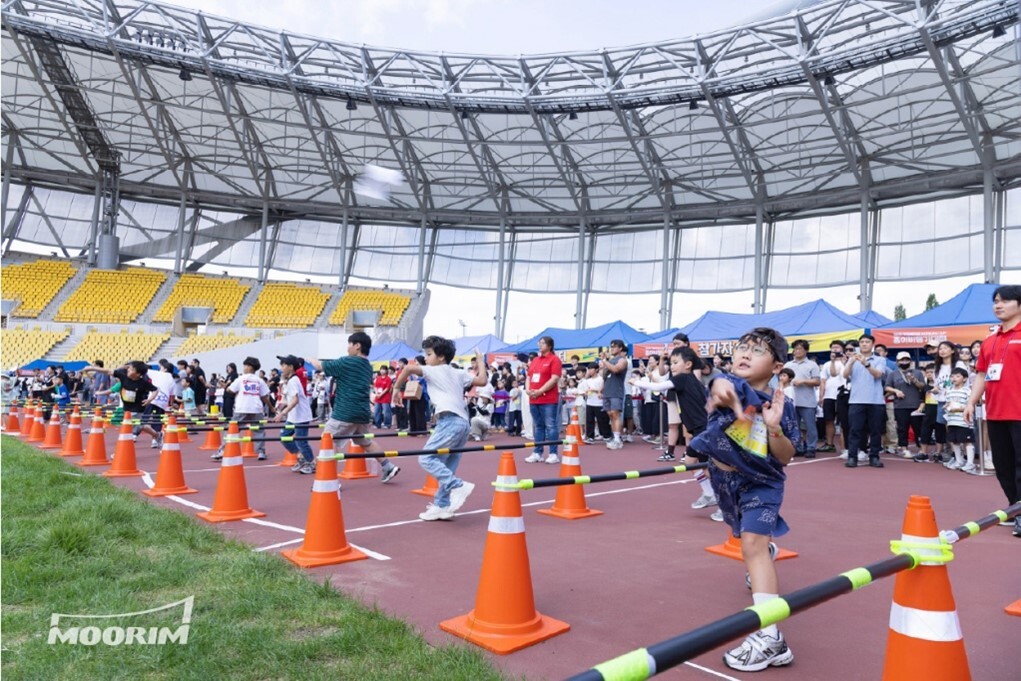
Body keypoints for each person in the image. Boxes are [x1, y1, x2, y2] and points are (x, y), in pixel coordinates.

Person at [688, 327, 799, 672]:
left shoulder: (783, 405)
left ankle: (770, 638)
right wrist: (732, 400)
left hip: (762, 484)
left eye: (757, 351)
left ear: (777, 366)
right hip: (723, 482)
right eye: (742, 348)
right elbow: (720, 387)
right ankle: (764, 553)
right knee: (748, 541)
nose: (745, 354)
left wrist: (774, 427)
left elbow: (785, 456)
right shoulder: (729, 383)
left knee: (751, 543)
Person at [392, 338, 487, 521]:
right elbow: (482, 380)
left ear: (441, 357)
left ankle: (457, 485)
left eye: (429, 354)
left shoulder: (433, 370)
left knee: (426, 458)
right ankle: (442, 505)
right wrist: (481, 361)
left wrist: (396, 388)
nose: (425, 358)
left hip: (449, 421)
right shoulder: (458, 372)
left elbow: (409, 368)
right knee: (446, 465)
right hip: (462, 423)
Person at [306, 333, 401, 483]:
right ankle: (388, 465)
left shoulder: (347, 362)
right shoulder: (367, 366)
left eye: (349, 344)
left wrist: (310, 359)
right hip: (362, 412)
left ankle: (330, 481)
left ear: (357, 346)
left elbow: (320, 366)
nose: (347, 348)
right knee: (365, 442)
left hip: (345, 411)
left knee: (328, 441)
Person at [965, 284, 1021, 538]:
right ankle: (1015, 509)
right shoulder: (989, 341)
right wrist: (971, 402)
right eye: (996, 301)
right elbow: (981, 375)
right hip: (996, 413)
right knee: (1002, 466)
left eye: (1005, 301)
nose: (998, 305)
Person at [630, 346, 713, 512]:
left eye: (675, 362)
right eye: (671, 363)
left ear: (688, 364)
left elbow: (659, 387)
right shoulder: (691, 381)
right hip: (700, 429)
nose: (672, 366)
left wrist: (637, 382)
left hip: (703, 430)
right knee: (691, 462)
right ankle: (709, 493)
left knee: (708, 468)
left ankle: (725, 502)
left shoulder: (683, 378)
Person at [842, 334, 889, 468]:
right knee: (854, 430)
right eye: (861, 342)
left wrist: (865, 363)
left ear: (872, 344)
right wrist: (850, 362)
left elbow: (878, 374)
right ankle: (852, 457)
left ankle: (874, 457)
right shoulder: (853, 359)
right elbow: (845, 375)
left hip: (875, 400)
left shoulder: (880, 359)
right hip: (856, 399)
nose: (864, 344)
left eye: (867, 342)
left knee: (875, 430)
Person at [216, 357, 273, 462]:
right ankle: (261, 452)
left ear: (249, 367)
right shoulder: (259, 380)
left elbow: (230, 390)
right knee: (259, 430)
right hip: (256, 408)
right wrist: (271, 408)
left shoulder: (241, 378)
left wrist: (227, 386)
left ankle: (223, 450)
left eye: (244, 366)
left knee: (232, 428)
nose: (243, 368)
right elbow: (265, 396)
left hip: (242, 407)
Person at [272, 356, 316, 474]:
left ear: (291, 367)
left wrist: (282, 413)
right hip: (293, 417)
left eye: (283, 365)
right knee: (284, 437)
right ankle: (302, 457)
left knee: (301, 441)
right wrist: (282, 404)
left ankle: (311, 463)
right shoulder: (291, 380)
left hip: (301, 416)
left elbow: (295, 400)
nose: (281, 368)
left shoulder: (293, 380)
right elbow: (292, 399)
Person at [525, 336, 563, 464]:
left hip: (548, 399)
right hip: (533, 398)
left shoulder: (555, 360)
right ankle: (537, 452)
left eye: (542, 343)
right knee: (538, 426)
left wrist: (540, 391)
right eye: (539, 343)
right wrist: (528, 390)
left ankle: (553, 453)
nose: (540, 345)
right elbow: (529, 377)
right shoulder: (535, 360)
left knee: (551, 426)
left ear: (550, 346)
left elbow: (554, 378)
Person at [783, 340, 820, 459]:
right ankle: (797, 447)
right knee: (794, 426)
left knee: (810, 426)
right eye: (795, 349)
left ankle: (811, 447)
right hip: (791, 400)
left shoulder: (812, 365)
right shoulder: (788, 365)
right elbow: (782, 380)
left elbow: (817, 381)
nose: (797, 351)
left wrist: (803, 381)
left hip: (807, 401)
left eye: (800, 349)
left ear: (806, 350)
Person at [885, 352, 925, 458]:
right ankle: (904, 448)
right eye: (902, 360)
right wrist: (895, 391)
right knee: (902, 428)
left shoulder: (917, 373)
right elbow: (887, 387)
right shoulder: (893, 374)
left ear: (910, 361)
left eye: (906, 360)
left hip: (915, 405)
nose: (904, 362)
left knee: (918, 428)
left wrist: (914, 380)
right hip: (900, 406)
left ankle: (921, 449)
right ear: (897, 362)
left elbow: (922, 386)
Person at [598, 340, 630, 450]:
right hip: (607, 390)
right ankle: (615, 437)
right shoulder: (610, 360)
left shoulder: (622, 360)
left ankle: (618, 439)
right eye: (611, 347)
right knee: (610, 415)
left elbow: (616, 370)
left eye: (614, 347)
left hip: (616, 390)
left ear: (620, 348)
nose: (612, 348)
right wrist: (600, 390)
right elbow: (604, 377)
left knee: (615, 414)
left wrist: (605, 361)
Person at [942, 368, 975, 472]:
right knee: (954, 441)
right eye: (952, 376)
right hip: (952, 420)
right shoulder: (950, 391)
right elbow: (947, 404)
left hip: (964, 422)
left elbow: (969, 405)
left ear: (964, 379)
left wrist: (958, 408)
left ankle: (970, 463)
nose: (954, 378)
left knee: (967, 441)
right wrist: (946, 407)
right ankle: (959, 461)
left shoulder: (967, 391)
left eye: (957, 376)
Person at [818, 341, 846, 453]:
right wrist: (821, 396)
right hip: (829, 395)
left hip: (842, 395)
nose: (835, 350)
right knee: (829, 420)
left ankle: (845, 447)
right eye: (833, 348)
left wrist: (842, 361)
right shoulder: (826, 364)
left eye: (837, 348)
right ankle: (830, 444)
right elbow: (823, 381)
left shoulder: (847, 362)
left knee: (844, 422)